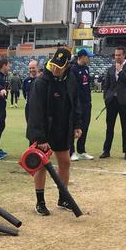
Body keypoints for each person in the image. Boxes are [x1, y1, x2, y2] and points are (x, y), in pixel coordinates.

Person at [27, 48, 82, 215]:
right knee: (42, 166)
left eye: (60, 66)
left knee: (65, 162)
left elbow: (75, 102)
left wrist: (77, 125)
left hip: (63, 128)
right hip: (44, 130)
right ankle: (40, 201)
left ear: (67, 66)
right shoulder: (41, 83)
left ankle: (63, 198)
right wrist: (39, 137)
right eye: (54, 65)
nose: (56, 69)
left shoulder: (71, 79)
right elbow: (34, 111)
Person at [100, 47, 126, 160]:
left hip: (124, 101)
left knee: (125, 127)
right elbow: (106, 85)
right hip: (111, 101)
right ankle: (106, 150)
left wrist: (120, 71)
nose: (117, 57)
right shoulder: (111, 68)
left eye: (119, 55)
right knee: (109, 127)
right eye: (115, 55)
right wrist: (106, 98)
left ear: (124, 55)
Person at [70, 49, 95, 161]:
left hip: (86, 103)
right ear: (82, 56)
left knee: (85, 126)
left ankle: (81, 150)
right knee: (73, 127)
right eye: (88, 57)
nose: (89, 59)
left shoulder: (86, 68)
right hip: (77, 104)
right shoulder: (73, 69)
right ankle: (71, 151)